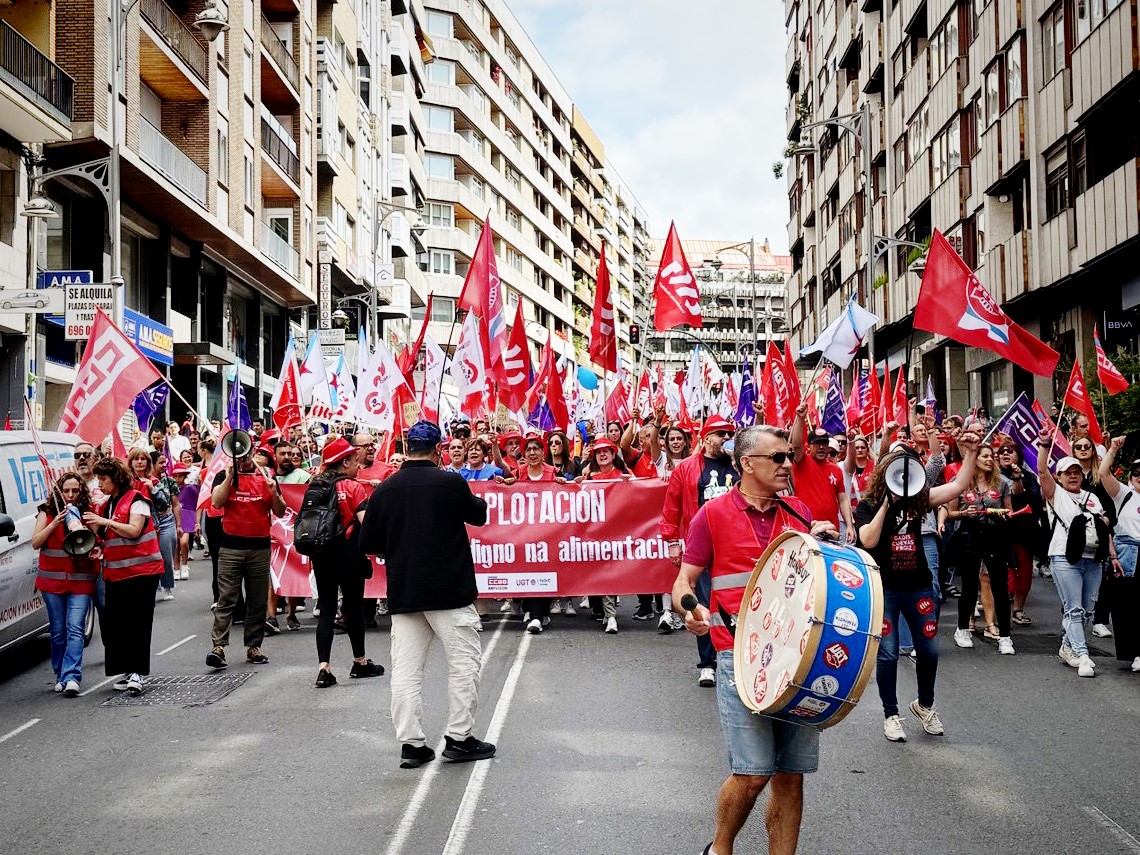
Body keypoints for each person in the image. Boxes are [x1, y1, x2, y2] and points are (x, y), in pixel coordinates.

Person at [674, 425, 835, 855]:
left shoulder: (799, 512)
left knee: (790, 774)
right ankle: (720, 848)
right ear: (747, 463)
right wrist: (693, 608)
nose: (788, 464)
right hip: (738, 657)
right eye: (778, 458)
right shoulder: (711, 515)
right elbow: (683, 581)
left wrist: (829, 545)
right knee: (752, 772)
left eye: (788, 456)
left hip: (798, 658)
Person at [359, 421, 496, 770]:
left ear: (409, 447)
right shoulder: (449, 482)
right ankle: (460, 738)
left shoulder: (386, 488)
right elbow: (478, 515)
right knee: (463, 666)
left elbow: (369, 542)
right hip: (449, 590)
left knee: (406, 671)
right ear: (438, 450)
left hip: (405, 590)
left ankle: (411, 744)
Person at [855, 431, 980, 742]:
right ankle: (890, 714)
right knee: (887, 653)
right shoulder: (868, 504)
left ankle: (924, 705)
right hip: (884, 588)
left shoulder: (920, 498)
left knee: (929, 649)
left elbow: (958, 485)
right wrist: (887, 505)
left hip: (918, 586)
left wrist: (972, 453)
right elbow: (867, 539)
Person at [660, 416, 737, 680]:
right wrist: (672, 542)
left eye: (729, 433)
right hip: (703, 545)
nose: (725, 438)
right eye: (719, 434)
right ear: (705, 438)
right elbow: (672, 506)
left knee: (736, 601)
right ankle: (708, 663)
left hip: (735, 545)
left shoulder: (739, 464)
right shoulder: (687, 469)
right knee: (704, 603)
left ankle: (736, 655)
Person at [307, 437, 386, 687]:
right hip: (349, 554)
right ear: (344, 463)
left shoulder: (314, 485)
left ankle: (324, 668)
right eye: (354, 460)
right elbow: (366, 522)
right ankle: (360, 663)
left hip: (321, 556)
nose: (358, 464)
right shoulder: (353, 487)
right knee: (354, 610)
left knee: (328, 611)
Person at [85, 457, 166, 695]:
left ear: (116, 479)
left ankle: (137, 672)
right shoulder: (107, 503)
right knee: (116, 624)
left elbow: (134, 530)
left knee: (138, 623)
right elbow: (100, 534)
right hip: (116, 573)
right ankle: (126, 670)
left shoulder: (137, 500)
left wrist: (103, 521)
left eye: (103, 479)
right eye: (98, 478)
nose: (100, 483)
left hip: (142, 571)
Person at [1037, 434, 1116, 678]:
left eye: (1076, 472)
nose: (1073, 476)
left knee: (1088, 610)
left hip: (1093, 559)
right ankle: (1083, 655)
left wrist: (1112, 554)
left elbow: (1104, 529)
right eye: (1067, 473)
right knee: (1074, 609)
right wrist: (1044, 445)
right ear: (1059, 477)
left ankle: (1068, 646)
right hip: (1064, 558)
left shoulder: (1091, 497)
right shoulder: (1056, 495)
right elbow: (1041, 473)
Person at [206, 440, 287, 669]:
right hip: (231, 547)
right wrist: (230, 477)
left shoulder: (266, 476)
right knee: (227, 598)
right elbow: (216, 502)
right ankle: (218, 647)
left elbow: (280, 512)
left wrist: (274, 493)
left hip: (259, 547)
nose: (242, 458)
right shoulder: (224, 476)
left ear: (252, 453)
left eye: (245, 453)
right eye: (237, 455)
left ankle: (253, 647)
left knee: (257, 599)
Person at [32, 472, 100, 696]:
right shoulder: (47, 511)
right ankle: (60, 672)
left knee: (75, 629)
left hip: (80, 582)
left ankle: (72, 676)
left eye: (75, 491)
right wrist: (55, 523)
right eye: (66, 491)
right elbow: (36, 542)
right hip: (52, 583)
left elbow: (96, 541)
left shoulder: (87, 511)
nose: (70, 495)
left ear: (81, 492)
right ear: (59, 491)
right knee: (58, 631)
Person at [945, 445, 1016, 653]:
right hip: (969, 536)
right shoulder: (959, 483)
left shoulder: (1002, 484)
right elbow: (951, 512)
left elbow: (1009, 510)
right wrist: (964, 514)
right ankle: (962, 629)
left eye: (991, 456)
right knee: (969, 586)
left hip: (995, 538)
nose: (990, 459)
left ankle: (1005, 636)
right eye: (985, 456)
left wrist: (1004, 514)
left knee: (1000, 588)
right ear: (974, 458)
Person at [1099, 438, 1140, 672]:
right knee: (1127, 607)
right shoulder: (1123, 494)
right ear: (1130, 477)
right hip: (1127, 557)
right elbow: (1104, 474)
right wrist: (1113, 449)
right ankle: (1134, 652)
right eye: (1137, 472)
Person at [790, 406, 855, 542]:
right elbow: (796, 445)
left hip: (831, 531)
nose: (821, 447)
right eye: (817, 443)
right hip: (806, 529)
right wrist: (800, 418)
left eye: (824, 443)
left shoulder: (836, 469)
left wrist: (849, 525)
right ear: (809, 446)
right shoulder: (802, 462)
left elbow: (842, 499)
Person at [173, 464, 197, 580]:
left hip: (187, 517)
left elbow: (199, 500)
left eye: (180, 476)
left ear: (185, 476)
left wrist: (197, 521)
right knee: (176, 545)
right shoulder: (171, 488)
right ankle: (176, 568)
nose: (178, 479)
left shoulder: (190, 488)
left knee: (183, 542)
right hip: (174, 516)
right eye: (175, 476)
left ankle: (185, 565)